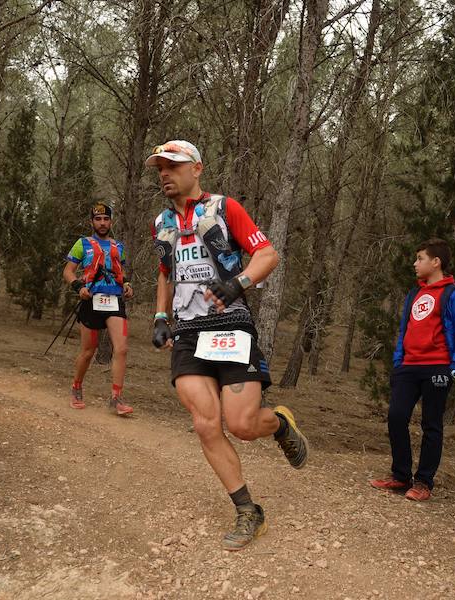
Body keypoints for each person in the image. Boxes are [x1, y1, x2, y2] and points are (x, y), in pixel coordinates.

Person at [147, 139, 308, 551]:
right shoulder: (162, 222)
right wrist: (161, 317)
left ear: (196, 168)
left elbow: (267, 255)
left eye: (173, 165)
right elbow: (165, 272)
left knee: (241, 425)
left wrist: (237, 283)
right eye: (160, 167)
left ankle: (280, 424)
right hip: (187, 333)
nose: (164, 173)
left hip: (231, 328)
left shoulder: (224, 208)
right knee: (205, 422)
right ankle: (248, 510)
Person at [370, 238, 455, 501]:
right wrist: (398, 363)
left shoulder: (454, 295)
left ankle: (424, 482)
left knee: (431, 425)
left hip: (438, 368)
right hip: (408, 367)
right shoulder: (414, 294)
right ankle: (401, 475)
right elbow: (404, 331)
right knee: (396, 417)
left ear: (436, 262)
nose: (415, 263)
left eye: (420, 258)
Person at [63, 203, 134, 416]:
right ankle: (76, 387)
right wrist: (79, 287)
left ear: (111, 221)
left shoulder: (118, 246)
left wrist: (128, 286)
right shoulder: (82, 244)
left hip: (114, 301)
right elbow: (68, 271)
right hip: (91, 301)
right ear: (92, 222)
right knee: (88, 351)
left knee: (121, 349)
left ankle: (116, 398)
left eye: (106, 219)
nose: (102, 223)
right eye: (98, 219)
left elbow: (120, 271)